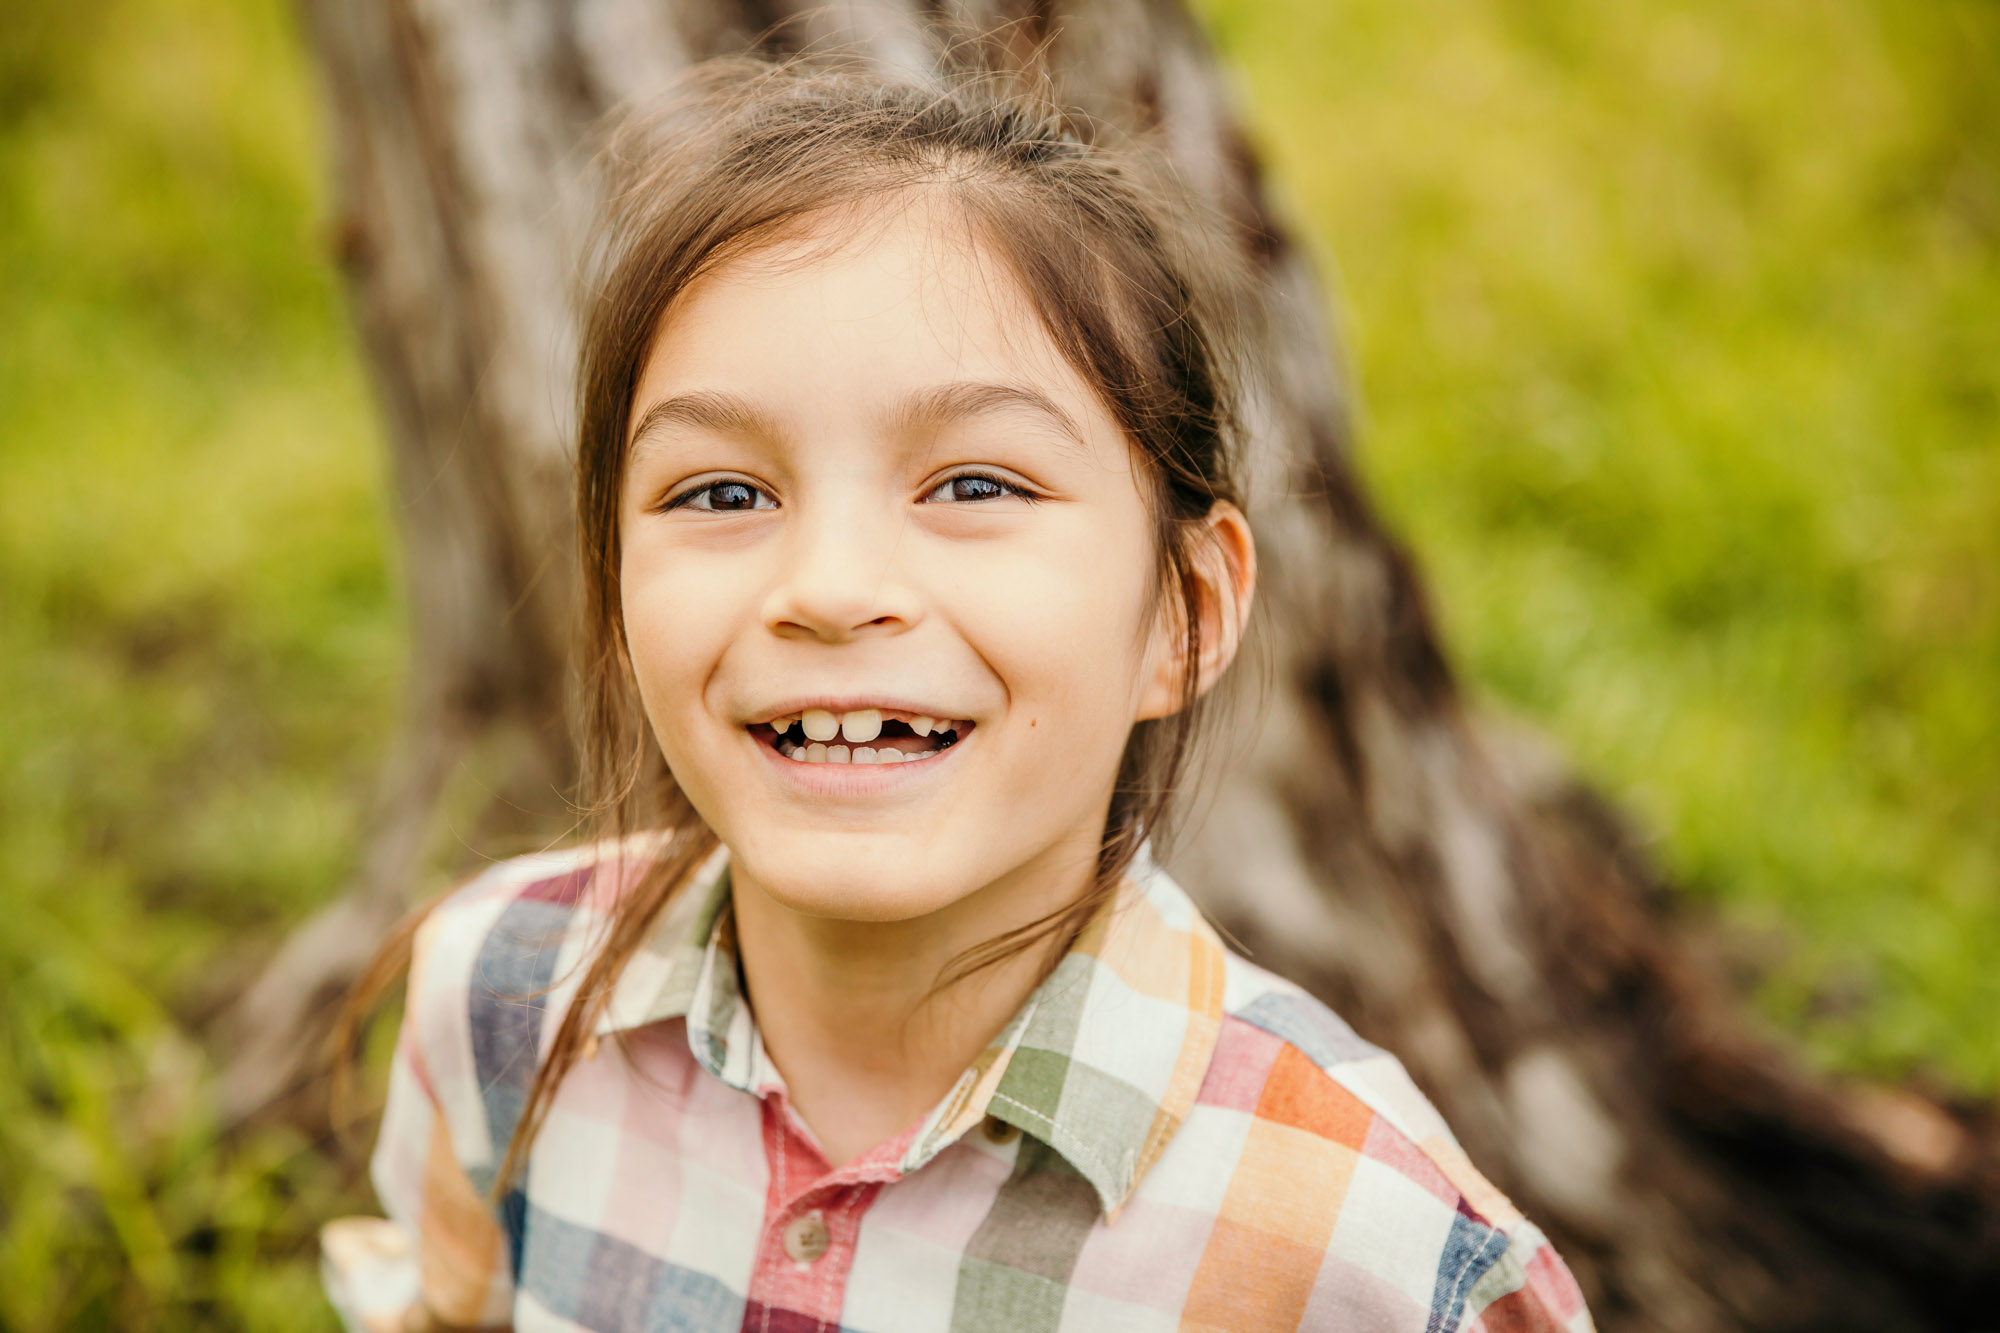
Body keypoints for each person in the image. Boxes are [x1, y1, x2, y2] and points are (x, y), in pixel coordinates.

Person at [321, 58, 1593, 1333]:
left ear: (1183, 612)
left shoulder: (1369, 1248)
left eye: (974, 486)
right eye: (720, 493)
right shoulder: (499, 999)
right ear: (614, 593)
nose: (827, 588)